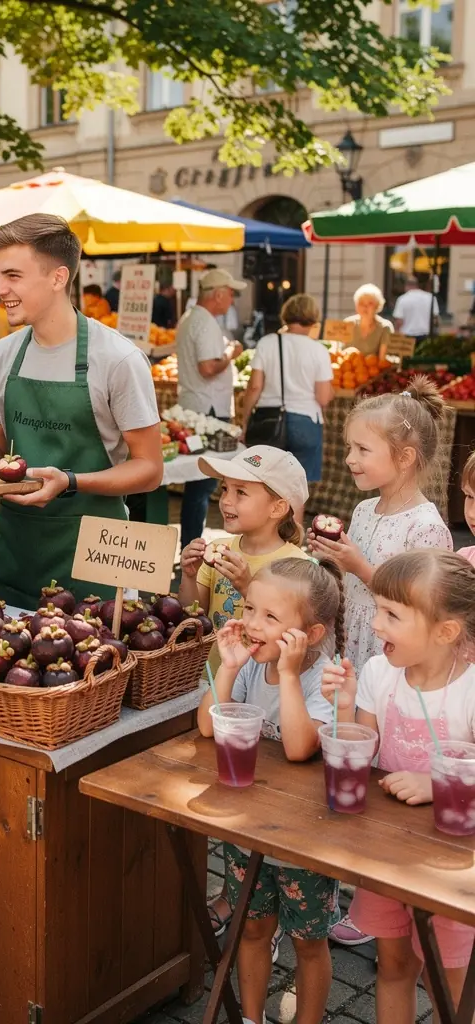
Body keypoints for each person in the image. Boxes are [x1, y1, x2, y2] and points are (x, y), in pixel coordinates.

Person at [0, 213, 163, 610]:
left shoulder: (118, 359)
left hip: (95, 554)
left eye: (13, 276)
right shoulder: (3, 355)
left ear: (58, 277)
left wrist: (70, 481)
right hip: (17, 549)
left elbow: (150, 470)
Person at [308, 376, 453, 949]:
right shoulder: (365, 508)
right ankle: (359, 884)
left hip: (398, 663)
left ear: (405, 456)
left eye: (362, 450)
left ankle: (389, 890)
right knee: (359, 758)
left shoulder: (426, 526)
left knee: (392, 760)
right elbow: (353, 585)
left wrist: (359, 565)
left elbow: (417, 603)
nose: (349, 460)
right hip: (360, 652)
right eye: (349, 448)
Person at [322, 550, 475, 1024]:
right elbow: (359, 756)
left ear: (444, 631)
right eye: (378, 608)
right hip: (386, 856)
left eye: (392, 614)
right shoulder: (377, 674)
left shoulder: (470, 690)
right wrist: (344, 708)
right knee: (392, 965)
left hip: (450, 866)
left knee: (447, 983)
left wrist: (436, 782)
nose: (378, 624)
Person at [200, 558, 344, 1024]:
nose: (251, 624)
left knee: (308, 943)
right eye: (248, 608)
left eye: (271, 617)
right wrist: (227, 666)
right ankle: (251, 1017)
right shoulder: (247, 670)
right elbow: (208, 725)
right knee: (253, 929)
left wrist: (287, 674)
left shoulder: (323, 679)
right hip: (249, 831)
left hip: (303, 843)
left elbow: (301, 748)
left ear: (311, 635)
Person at [179, 446, 310, 635]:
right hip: (211, 665)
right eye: (225, 488)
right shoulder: (218, 549)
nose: (225, 500)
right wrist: (189, 576)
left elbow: (289, 630)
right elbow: (192, 618)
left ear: (277, 508)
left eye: (240, 492)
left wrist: (248, 588)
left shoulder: (297, 567)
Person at [175, 268, 246, 544]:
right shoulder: (203, 322)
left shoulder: (191, 317)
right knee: (202, 483)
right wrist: (231, 353)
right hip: (206, 410)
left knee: (198, 481)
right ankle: (192, 542)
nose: (232, 299)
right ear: (217, 294)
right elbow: (207, 367)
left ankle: (190, 541)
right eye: (230, 293)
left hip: (197, 406)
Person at [239, 294, 333, 483]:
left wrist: (244, 421)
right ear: (314, 319)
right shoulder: (319, 351)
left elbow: (255, 387)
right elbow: (323, 397)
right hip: (305, 422)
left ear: (286, 315)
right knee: (298, 486)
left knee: (264, 484)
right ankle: (295, 514)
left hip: (268, 421)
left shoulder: (267, 342)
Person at [346, 283, 394, 357]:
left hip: (373, 367)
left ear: (378, 305)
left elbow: (383, 359)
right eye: (361, 303)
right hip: (348, 367)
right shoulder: (348, 323)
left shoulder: (385, 327)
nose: (365, 307)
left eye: (370, 303)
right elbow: (338, 351)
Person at [392, 276, 438, 342]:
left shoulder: (402, 299)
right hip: (426, 336)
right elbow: (435, 319)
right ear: (417, 285)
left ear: (406, 285)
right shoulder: (431, 298)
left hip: (407, 337)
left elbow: (399, 321)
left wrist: (396, 336)